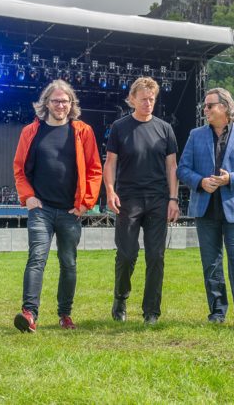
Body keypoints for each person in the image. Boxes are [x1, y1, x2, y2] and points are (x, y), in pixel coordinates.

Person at [13, 79, 102, 333]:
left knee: (69, 263)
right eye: (55, 101)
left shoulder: (83, 131)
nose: (60, 105)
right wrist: (28, 197)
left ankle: (65, 315)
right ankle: (29, 314)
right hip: (40, 209)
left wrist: (85, 204)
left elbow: (95, 169)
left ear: (71, 104)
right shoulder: (31, 131)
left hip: (70, 211)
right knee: (36, 259)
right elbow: (19, 169)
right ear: (46, 104)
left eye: (65, 101)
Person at [177, 88, 234, 325]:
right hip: (205, 209)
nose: (205, 110)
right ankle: (217, 312)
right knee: (211, 262)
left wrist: (230, 179)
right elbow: (182, 169)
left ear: (224, 107)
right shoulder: (195, 135)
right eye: (205, 106)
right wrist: (201, 182)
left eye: (209, 106)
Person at [104, 77, 180, 325]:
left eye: (152, 99)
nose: (148, 103)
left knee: (156, 256)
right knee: (126, 254)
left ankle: (151, 311)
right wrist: (110, 190)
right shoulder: (119, 127)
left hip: (158, 199)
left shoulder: (165, 129)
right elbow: (110, 163)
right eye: (144, 98)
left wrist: (173, 198)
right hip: (128, 199)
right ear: (132, 99)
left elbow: (172, 167)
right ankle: (120, 297)